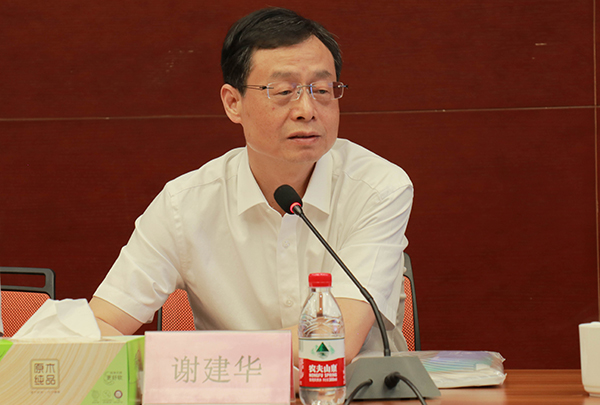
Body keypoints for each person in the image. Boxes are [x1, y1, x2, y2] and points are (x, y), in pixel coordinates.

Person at [90, 7, 413, 364]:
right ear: (233, 103)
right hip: (229, 389)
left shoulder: (377, 188)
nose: (307, 109)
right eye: (284, 91)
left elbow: (333, 340)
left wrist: (192, 357)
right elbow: (104, 322)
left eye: (322, 90)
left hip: (354, 390)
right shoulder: (184, 205)